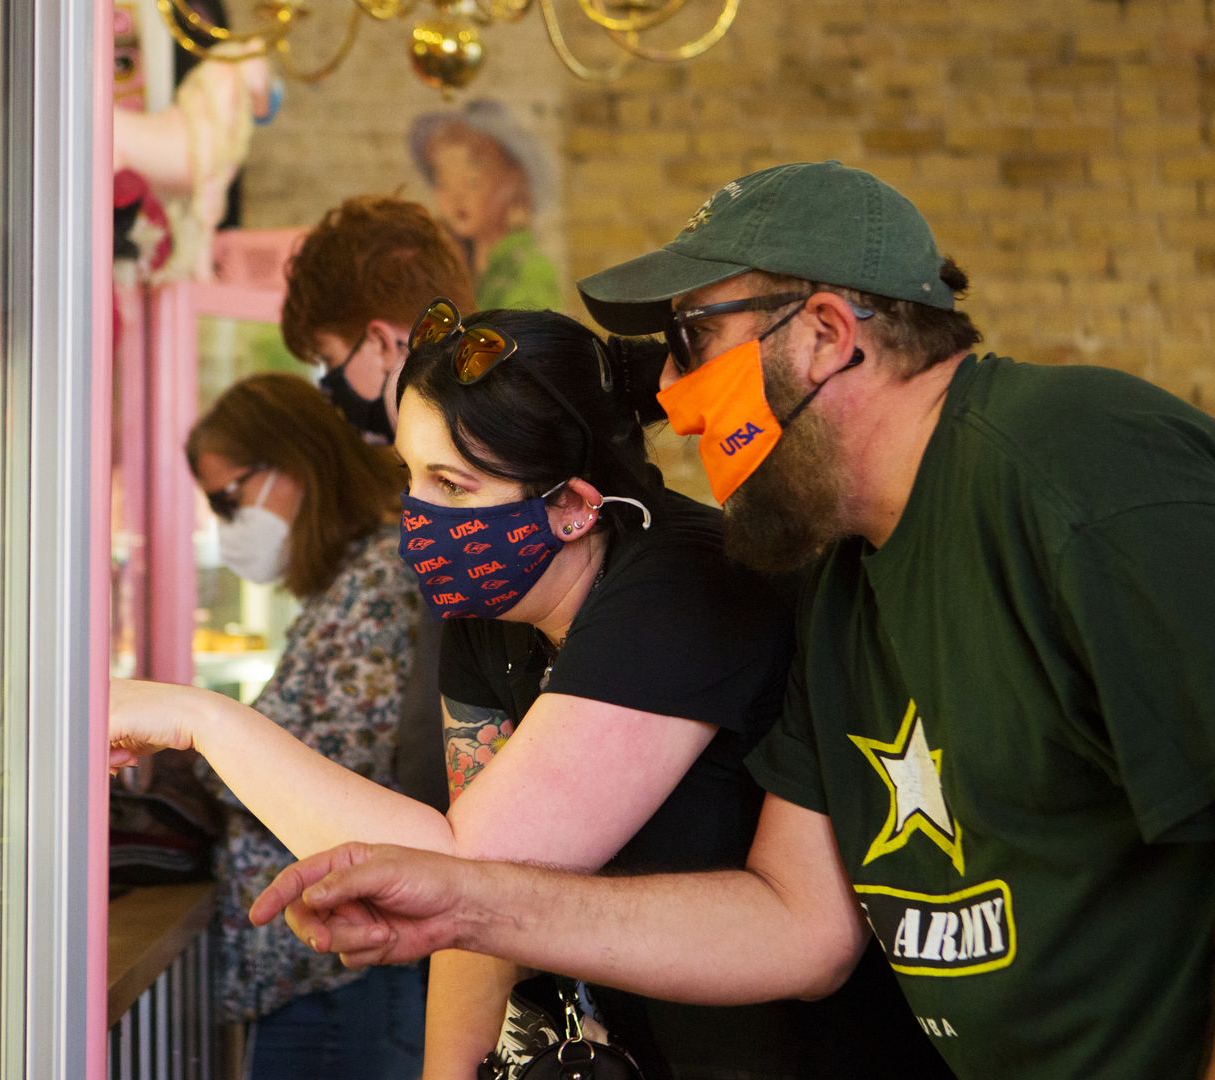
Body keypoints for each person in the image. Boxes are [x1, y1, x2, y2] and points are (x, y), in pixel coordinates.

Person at [253, 162, 1215, 1080]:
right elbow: (795, 926)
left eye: (692, 343)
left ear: (826, 334)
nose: (668, 397)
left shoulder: (1062, 459)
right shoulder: (841, 582)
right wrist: (470, 904)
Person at [112, 305, 947, 1079]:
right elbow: (476, 920)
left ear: (576, 508)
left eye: (452, 486)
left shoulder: (684, 586)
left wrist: (201, 721)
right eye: (410, 475)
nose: (416, 514)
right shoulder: (493, 612)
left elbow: (460, 873)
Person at [166, 374, 427, 1079]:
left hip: (347, 972)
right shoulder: (349, 582)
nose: (227, 523)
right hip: (323, 964)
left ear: (295, 461)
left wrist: (187, 739)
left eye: (229, 499)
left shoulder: (380, 578)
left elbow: (331, 762)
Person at [279, 194, 479, 813]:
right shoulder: (474, 447)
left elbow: (446, 708)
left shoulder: (469, 473)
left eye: (328, 361)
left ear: (381, 342)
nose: (329, 387)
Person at [409, 100, 560, 312]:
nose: (456, 197)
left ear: (511, 182)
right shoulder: (462, 266)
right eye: (443, 183)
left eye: (472, 181)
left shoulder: (528, 271)